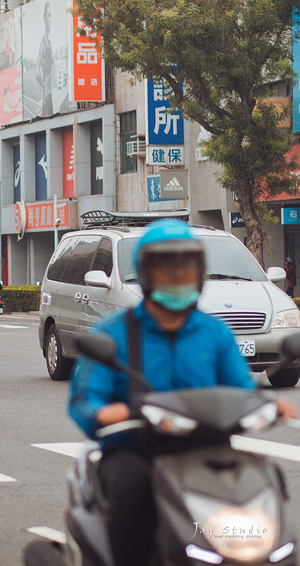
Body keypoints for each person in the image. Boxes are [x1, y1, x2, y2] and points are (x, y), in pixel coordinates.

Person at [68, 220, 296, 566]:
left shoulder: (214, 333)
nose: (177, 274)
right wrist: (104, 413)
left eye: (186, 266)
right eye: (165, 267)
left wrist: (266, 404)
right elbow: (84, 400)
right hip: (137, 450)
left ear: (199, 272)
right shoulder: (114, 333)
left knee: (265, 481)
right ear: (146, 273)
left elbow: (241, 389)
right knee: (131, 492)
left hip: (206, 447)